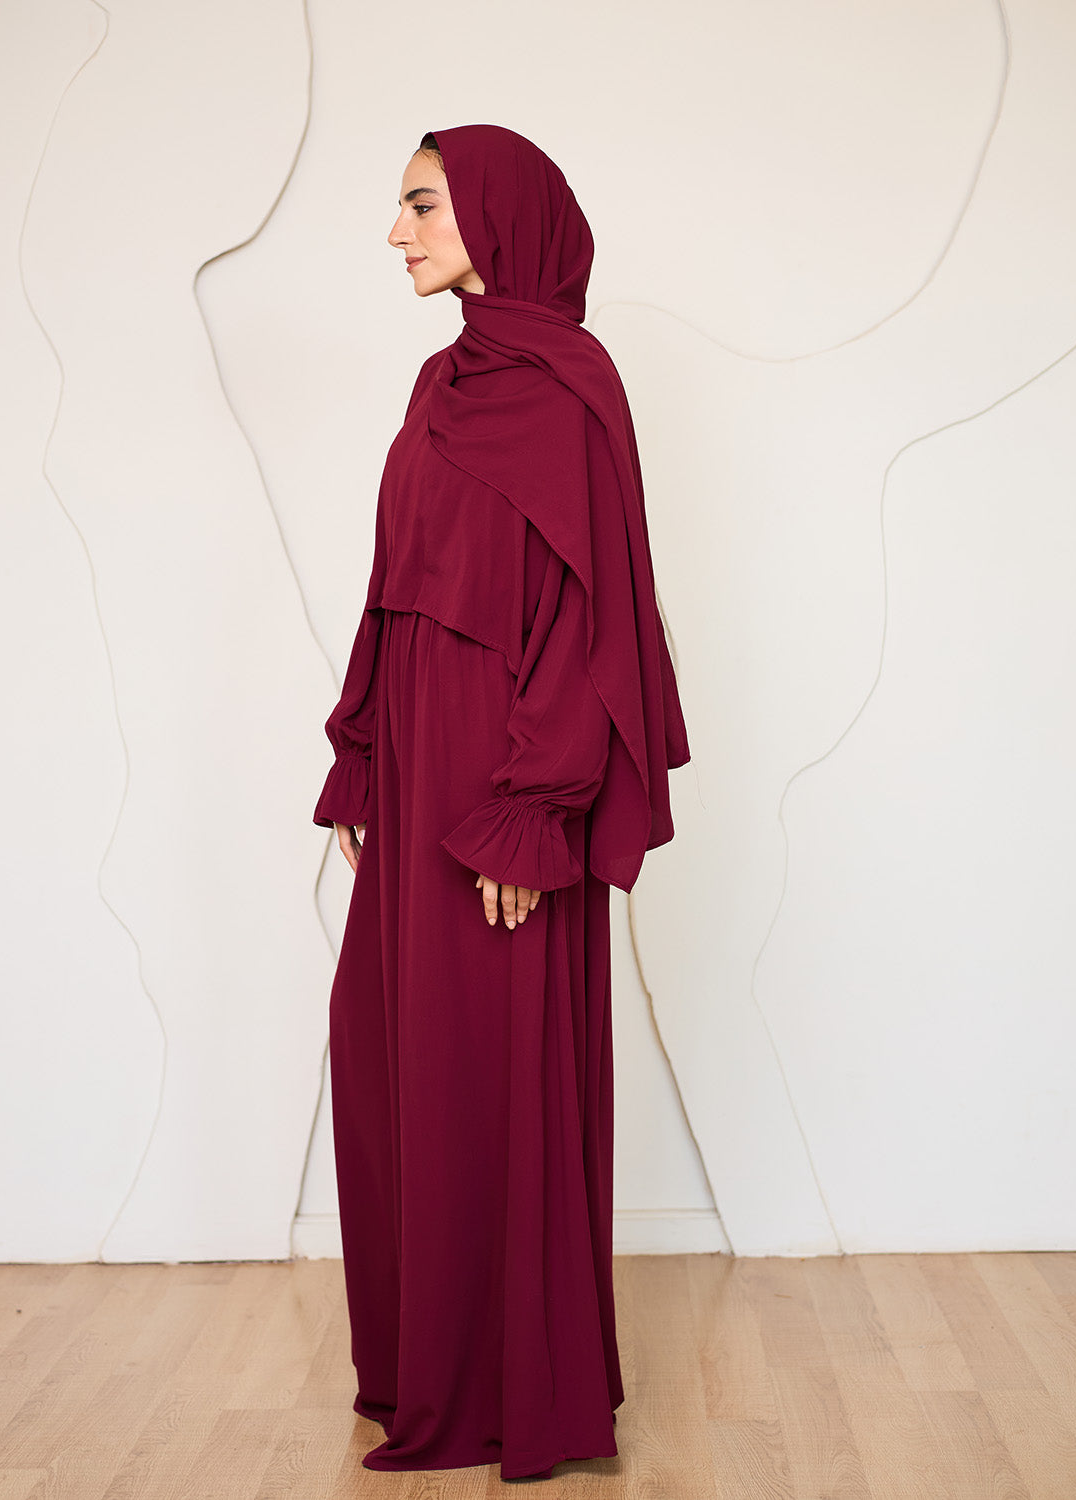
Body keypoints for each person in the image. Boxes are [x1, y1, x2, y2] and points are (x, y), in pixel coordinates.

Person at [312, 123, 690, 1481]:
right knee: (394, 1057)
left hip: (503, 776)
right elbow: (394, 583)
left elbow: (591, 622)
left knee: (490, 1065)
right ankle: (431, 1365)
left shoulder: (572, 391)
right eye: (402, 208)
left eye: (422, 206)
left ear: (498, 215)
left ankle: (514, 1387)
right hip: (419, 766)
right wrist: (363, 749)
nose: (397, 233)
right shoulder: (438, 382)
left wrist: (535, 808)